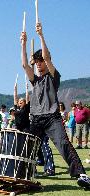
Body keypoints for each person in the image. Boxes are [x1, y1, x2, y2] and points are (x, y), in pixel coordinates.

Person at [20, 22, 90, 188]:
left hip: (52, 118)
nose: (38, 63)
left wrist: (41, 36)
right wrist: (23, 44)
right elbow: (24, 65)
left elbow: (47, 57)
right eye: (36, 61)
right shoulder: (34, 80)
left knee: (63, 144)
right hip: (36, 119)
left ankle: (81, 175)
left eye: (40, 61)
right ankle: (21, 174)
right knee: (28, 145)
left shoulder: (53, 77)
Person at [14, 78, 55, 176]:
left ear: (24, 103)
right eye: (19, 101)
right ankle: (34, 163)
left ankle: (38, 167)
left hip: (26, 129)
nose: (20, 102)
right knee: (22, 148)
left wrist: (27, 87)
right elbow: (15, 97)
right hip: (18, 130)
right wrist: (15, 88)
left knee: (31, 147)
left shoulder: (27, 108)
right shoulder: (16, 109)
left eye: (22, 101)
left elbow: (28, 97)